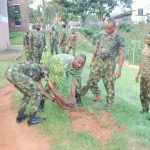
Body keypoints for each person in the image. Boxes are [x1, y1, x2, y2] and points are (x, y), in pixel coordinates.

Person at [5, 62, 77, 124]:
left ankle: (21, 114)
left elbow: (42, 90)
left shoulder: (35, 71)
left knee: (28, 93)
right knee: (37, 92)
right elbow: (52, 89)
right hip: (15, 73)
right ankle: (32, 117)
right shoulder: (42, 70)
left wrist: (54, 100)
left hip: (9, 73)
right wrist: (64, 102)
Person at [81, 18, 124, 110]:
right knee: (91, 80)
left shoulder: (119, 37)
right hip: (98, 61)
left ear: (114, 27)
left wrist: (119, 69)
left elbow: (121, 54)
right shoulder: (101, 34)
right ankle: (97, 95)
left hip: (109, 63)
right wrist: (92, 60)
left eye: (110, 28)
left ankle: (109, 103)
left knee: (109, 83)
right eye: (106, 28)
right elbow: (96, 47)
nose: (107, 30)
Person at [135, 32, 150, 114]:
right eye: (146, 38)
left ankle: (146, 110)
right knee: (142, 94)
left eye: (149, 39)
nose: (147, 40)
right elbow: (142, 62)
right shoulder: (145, 47)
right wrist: (138, 74)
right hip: (143, 75)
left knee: (147, 95)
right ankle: (144, 109)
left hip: (149, 76)